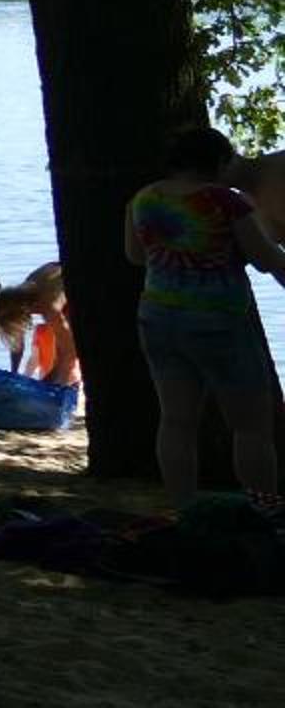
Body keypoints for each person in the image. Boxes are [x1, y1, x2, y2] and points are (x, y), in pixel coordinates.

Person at [126, 124, 285, 505]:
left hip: (158, 319)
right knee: (250, 427)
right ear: (219, 161)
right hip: (219, 322)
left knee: (176, 420)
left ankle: (184, 509)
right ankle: (265, 509)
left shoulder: (143, 199)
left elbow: (135, 256)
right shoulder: (226, 202)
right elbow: (265, 259)